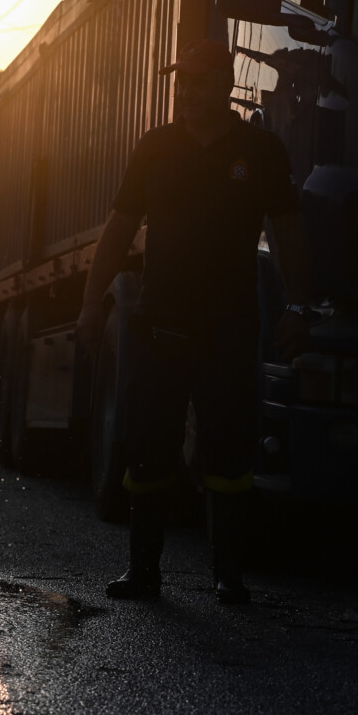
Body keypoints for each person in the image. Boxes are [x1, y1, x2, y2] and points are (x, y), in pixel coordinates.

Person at [74, 38, 313, 604]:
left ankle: (227, 574)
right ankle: (143, 571)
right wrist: (89, 303)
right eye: (182, 81)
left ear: (225, 83)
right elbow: (118, 229)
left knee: (228, 449)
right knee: (148, 444)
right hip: (159, 324)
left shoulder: (261, 150)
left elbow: (289, 236)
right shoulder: (155, 148)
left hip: (229, 326)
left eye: (201, 80)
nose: (188, 91)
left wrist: (300, 306)